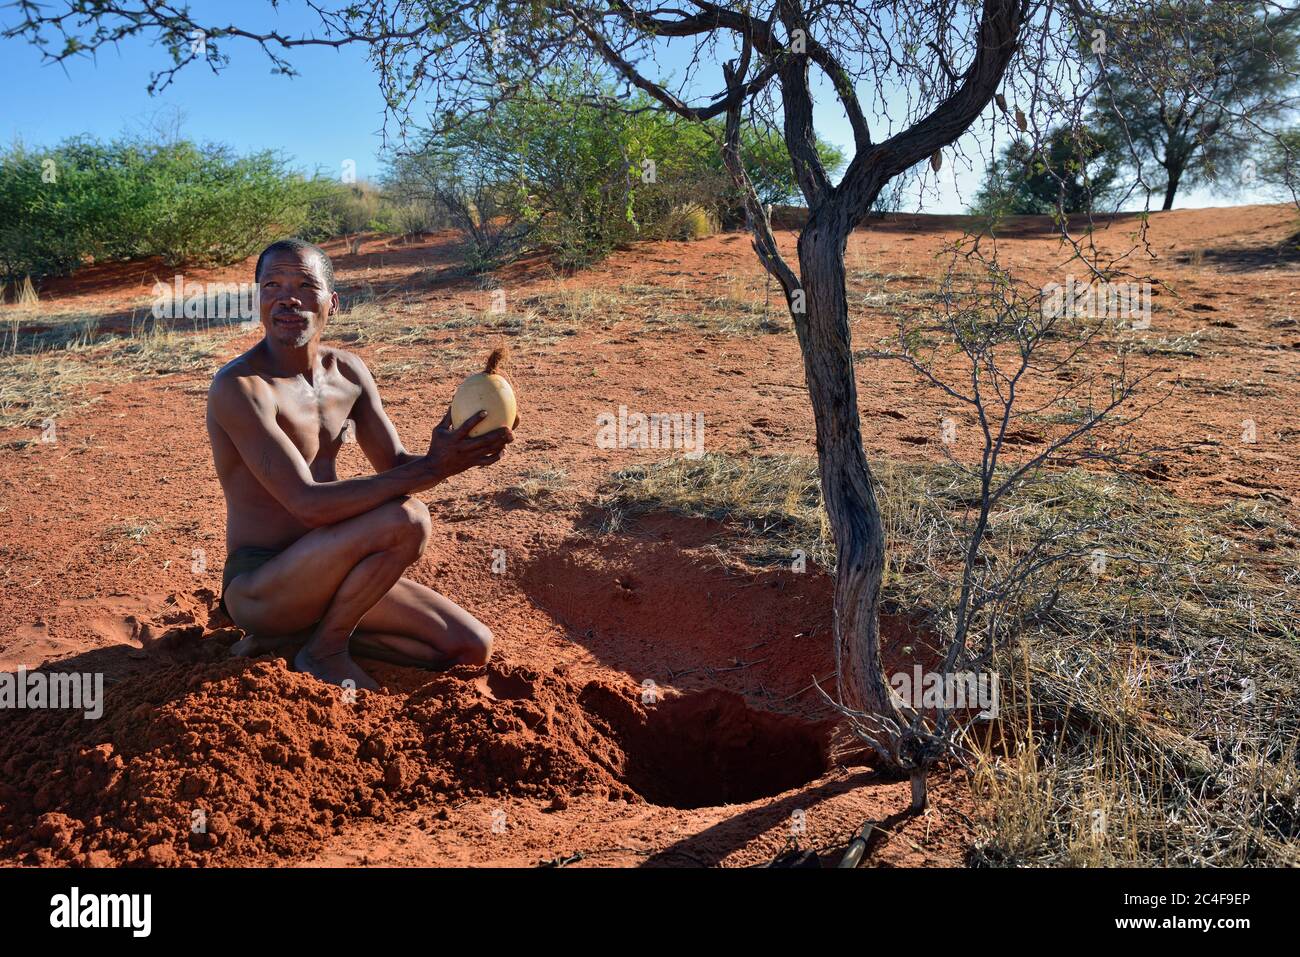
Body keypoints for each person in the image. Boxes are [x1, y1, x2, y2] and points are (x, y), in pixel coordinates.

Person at [206, 238, 516, 690]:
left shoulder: (348, 373)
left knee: (470, 647)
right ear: (258, 300)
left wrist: (459, 448)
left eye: (304, 285)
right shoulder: (240, 387)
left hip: (334, 570)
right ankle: (324, 650)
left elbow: (395, 464)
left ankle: (291, 641)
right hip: (263, 586)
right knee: (406, 520)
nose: (286, 296)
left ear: (333, 301)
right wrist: (432, 468)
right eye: (271, 284)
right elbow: (306, 504)